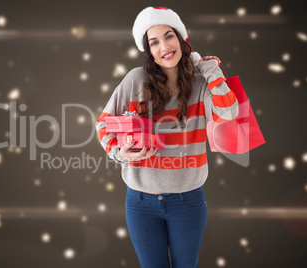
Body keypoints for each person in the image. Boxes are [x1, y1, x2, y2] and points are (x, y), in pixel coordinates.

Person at [95, 6, 239, 268]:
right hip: (140, 203)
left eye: (169, 36)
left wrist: (210, 69)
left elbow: (229, 113)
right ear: (149, 51)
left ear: (182, 39)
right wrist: (118, 152)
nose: (164, 46)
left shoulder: (201, 84)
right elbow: (104, 123)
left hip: (188, 202)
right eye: (154, 42)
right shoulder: (135, 80)